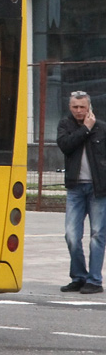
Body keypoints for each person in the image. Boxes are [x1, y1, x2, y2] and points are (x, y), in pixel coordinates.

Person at [57, 90, 106, 293]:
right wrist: (85, 129)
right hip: (75, 188)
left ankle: (94, 281)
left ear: (89, 108)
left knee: (97, 234)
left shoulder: (102, 128)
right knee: (71, 235)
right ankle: (78, 276)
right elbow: (65, 146)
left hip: (97, 189)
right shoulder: (65, 125)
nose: (78, 111)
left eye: (82, 107)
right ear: (70, 108)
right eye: (75, 107)